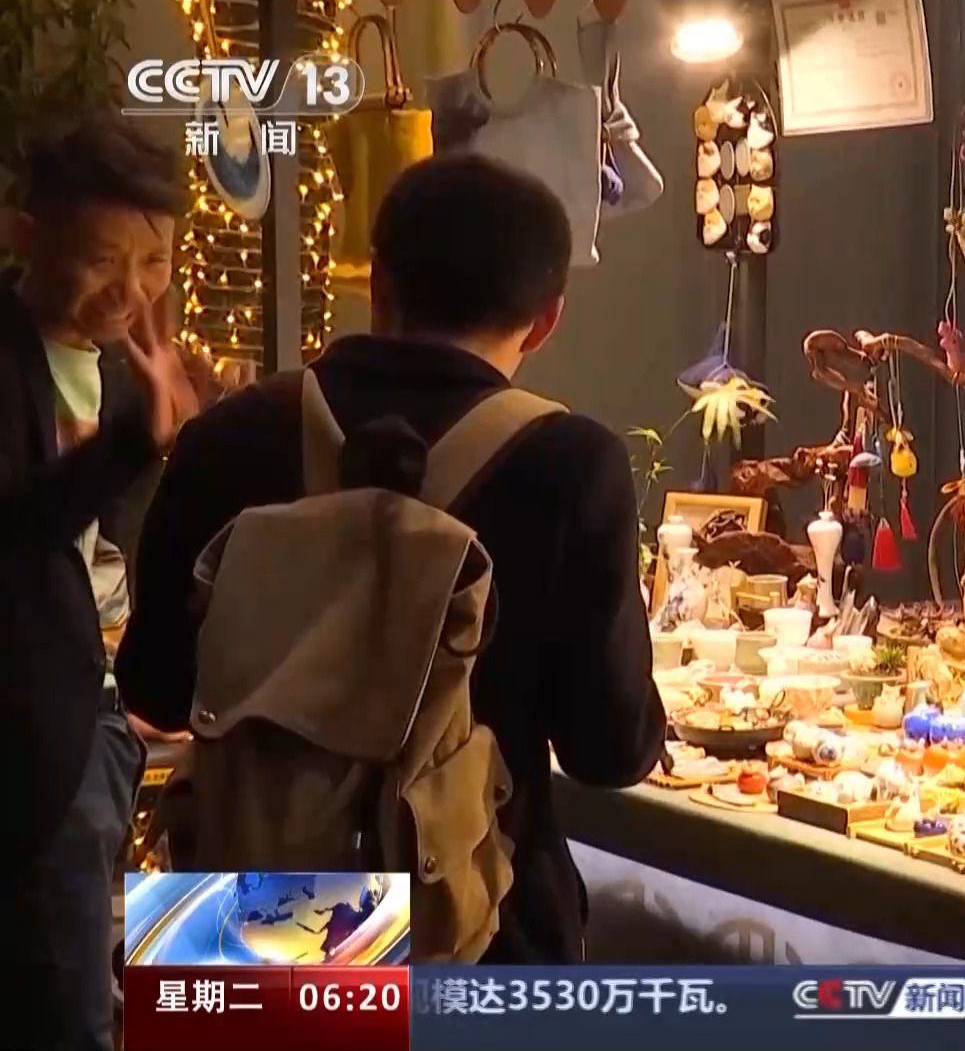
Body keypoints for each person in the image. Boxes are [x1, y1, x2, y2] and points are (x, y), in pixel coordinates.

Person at [118, 153, 665, 963]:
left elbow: (155, 688)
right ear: (545, 319)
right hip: (477, 916)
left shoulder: (227, 436)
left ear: (377, 282)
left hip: (249, 914)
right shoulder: (572, 463)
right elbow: (608, 751)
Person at [0, 116, 200, 1051]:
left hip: (99, 718)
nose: (132, 291)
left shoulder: (126, 370)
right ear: (26, 235)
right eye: (102, 261)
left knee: (92, 988)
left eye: (154, 261)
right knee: (65, 1009)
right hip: (28, 738)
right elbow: (16, 533)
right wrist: (131, 445)